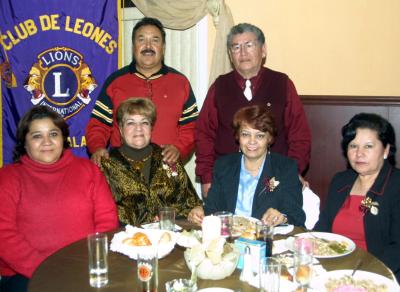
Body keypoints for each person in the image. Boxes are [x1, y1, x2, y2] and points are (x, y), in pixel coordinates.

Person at [0, 106, 118, 292]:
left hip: (84, 268)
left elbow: (107, 221)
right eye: (37, 136)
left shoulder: (89, 171)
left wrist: (89, 262)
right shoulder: (7, 178)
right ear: (24, 142)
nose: (47, 142)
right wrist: (48, 269)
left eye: (53, 134)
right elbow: (4, 235)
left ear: (63, 138)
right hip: (25, 273)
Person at [195, 23, 311, 197]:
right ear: (229, 54)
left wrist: (291, 172)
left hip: (273, 180)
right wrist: (207, 178)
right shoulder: (219, 86)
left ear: (263, 50)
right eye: (236, 47)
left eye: (249, 45)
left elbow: (299, 135)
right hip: (227, 179)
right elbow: (204, 135)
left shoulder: (282, 84)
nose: (243, 53)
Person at [86, 17, 198, 166]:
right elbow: (98, 125)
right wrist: (98, 147)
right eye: (141, 40)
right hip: (122, 171)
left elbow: (192, 128)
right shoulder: (115, 82)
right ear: (133, 46)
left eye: (155, 40)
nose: (148, 46)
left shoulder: (180, 82)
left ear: (163, 48)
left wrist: (179, 148)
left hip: (166, 172)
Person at [314, 113, 400, 281]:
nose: (359, 153)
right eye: (353, 146)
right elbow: (323, 227)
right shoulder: (341, 180)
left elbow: (397, 248)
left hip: (378, 276)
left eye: (368, 146)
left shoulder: (396, 186)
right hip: (334, 269)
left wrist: (361, 273)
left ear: (386, 150)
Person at [189, 105, 305, 227]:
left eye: (259, 135)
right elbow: (212, 208)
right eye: (245, 134)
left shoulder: (285, 168)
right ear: (238, 137)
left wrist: (282, 218)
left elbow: (297, 216)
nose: (252, 141)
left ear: (269, 138)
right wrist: (200, 212)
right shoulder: (223, 166)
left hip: (266, 240)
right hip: (228, 240)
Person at [100, 98, 202, 226]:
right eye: (131, 123)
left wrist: (195, 211)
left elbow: (190, 202)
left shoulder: (168, 158)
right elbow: (101, 215)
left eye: (145, 123)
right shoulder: (107, 164)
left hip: (169, 236)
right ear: (120, 128)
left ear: (151, 128)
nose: (139, 128)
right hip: (128, 240)